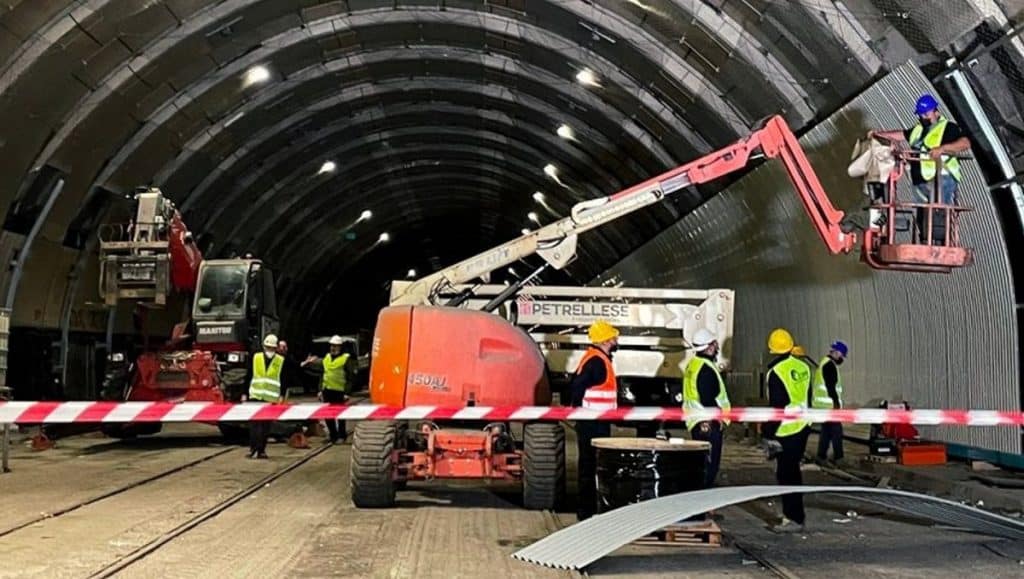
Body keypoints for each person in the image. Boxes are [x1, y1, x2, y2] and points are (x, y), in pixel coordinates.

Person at [869, 93, 971, 244]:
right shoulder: (918, 130)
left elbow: (965, 143)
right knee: (923, 215)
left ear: (936, 111)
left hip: (941, 180)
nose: (924, 117)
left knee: (939, 214)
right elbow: (901, 134)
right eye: (921, 114)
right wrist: (877, 134)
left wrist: (942, 149)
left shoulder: (947, 128)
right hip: (921, 182)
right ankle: (926, 241)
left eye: (927, 113)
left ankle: (942, 244)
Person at [762, 328, 812, 533]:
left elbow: (778, 406)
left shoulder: (776, 373)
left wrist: (768, 433)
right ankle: (796, 516)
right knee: (794, 473)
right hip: (803, 426)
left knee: (786, 475)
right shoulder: (803, 367)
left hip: (785, 429)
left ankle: (793, 518)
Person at [569, 319, 619, 521]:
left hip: (595, 421)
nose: (616, 339)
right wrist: (577, 412)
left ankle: (588, 510)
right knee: (590, 467)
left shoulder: (596, 358)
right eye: (613, 336)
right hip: (593, 424)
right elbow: (577, 387)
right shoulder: (596, 361)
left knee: (591, 466)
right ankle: (587, 512)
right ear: (606, 340)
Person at [682, 328, 730, 488]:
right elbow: (707, 398)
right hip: (708, 423)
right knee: (710, 465)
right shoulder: (706, 369)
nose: (717, 347)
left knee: (701, 464)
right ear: (709, 347)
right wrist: (718, 418)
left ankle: (701, 505)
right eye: (715, 344)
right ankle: (704, 508)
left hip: (696, 421)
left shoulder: (693, 365)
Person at [303, 335, 355, 443]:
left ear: (340, 347)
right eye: (332, 346)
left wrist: (347, 392)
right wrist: (320, 390)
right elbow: (323, 374)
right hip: (327, 390)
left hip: (340, 391)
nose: (333, 348)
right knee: (328, 415)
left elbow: (350, 377)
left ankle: (342, 435)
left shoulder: (346, 359)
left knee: (340, 415)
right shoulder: (326, 358)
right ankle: (333, 435)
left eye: (336, 346)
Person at [246, 334, 284, 459]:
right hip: (255, 395)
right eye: (268, 347)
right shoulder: (256, 357)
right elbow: (249, 374)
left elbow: (284, 378)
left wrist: (282, 395)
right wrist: (244, 393)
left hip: (270, 398)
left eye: (272, 348)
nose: (269, 350)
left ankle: (261, 449)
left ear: (276, 348)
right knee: (254, 425)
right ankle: (253, 449)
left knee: (265, 426)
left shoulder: (280, 360)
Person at [814, 340, 848, 464]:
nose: (842, 359)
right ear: (836, 352)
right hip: (829, 406)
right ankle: (839, 457)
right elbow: (831, 387)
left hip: (822, 406)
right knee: (836, 432)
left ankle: (821, 455)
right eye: (841, 356)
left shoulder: (824, 363)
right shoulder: (830, 365)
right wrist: (836, 404)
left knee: (827, 432)